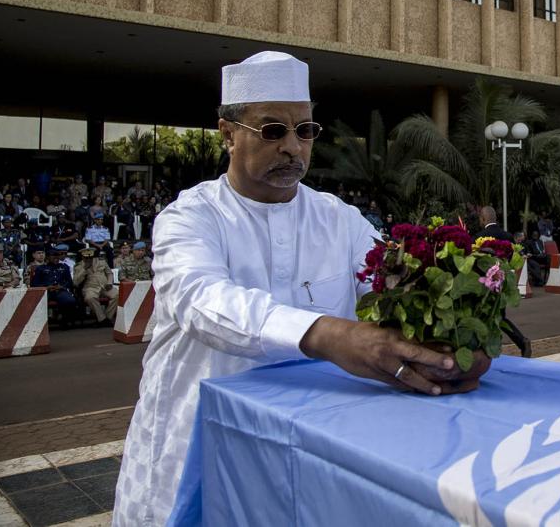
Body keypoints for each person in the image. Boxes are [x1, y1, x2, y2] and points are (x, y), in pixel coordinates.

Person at [115, 52, 464, 526]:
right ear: (227, 134)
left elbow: (395, 286)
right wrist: (329, 335)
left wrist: (450, 344)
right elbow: (202, 300)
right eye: (273, 130)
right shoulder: (191, 217)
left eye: (305, 131)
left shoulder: (339, 220)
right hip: (196, 449)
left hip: (310, 449)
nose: (292, 147)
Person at [31, 244, 79, 327]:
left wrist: (62, 286)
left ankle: (64, 319)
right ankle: (40, 323)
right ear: (48, 257)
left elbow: (69, 282)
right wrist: (46, 287)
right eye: (53, 256)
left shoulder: (64, 267)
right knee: (39, 302)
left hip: (59, 290)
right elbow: (35, 284)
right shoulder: (41, 268)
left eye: (57, 256)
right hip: (46, 292)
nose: (56, 258)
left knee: (70, 300)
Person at [74, 248, 117, 325]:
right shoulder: (79, 266)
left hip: (104, 286)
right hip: (90, 288)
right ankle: (102, 319)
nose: (89, 259)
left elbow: (109, 273)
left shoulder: (101, 262)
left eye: (90, 257)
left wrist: (109, 283)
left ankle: (108, 317)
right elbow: (76, 282)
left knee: (118, 294)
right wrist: (84, 269)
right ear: (82, 257)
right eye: (86, 257)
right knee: (90, 298)